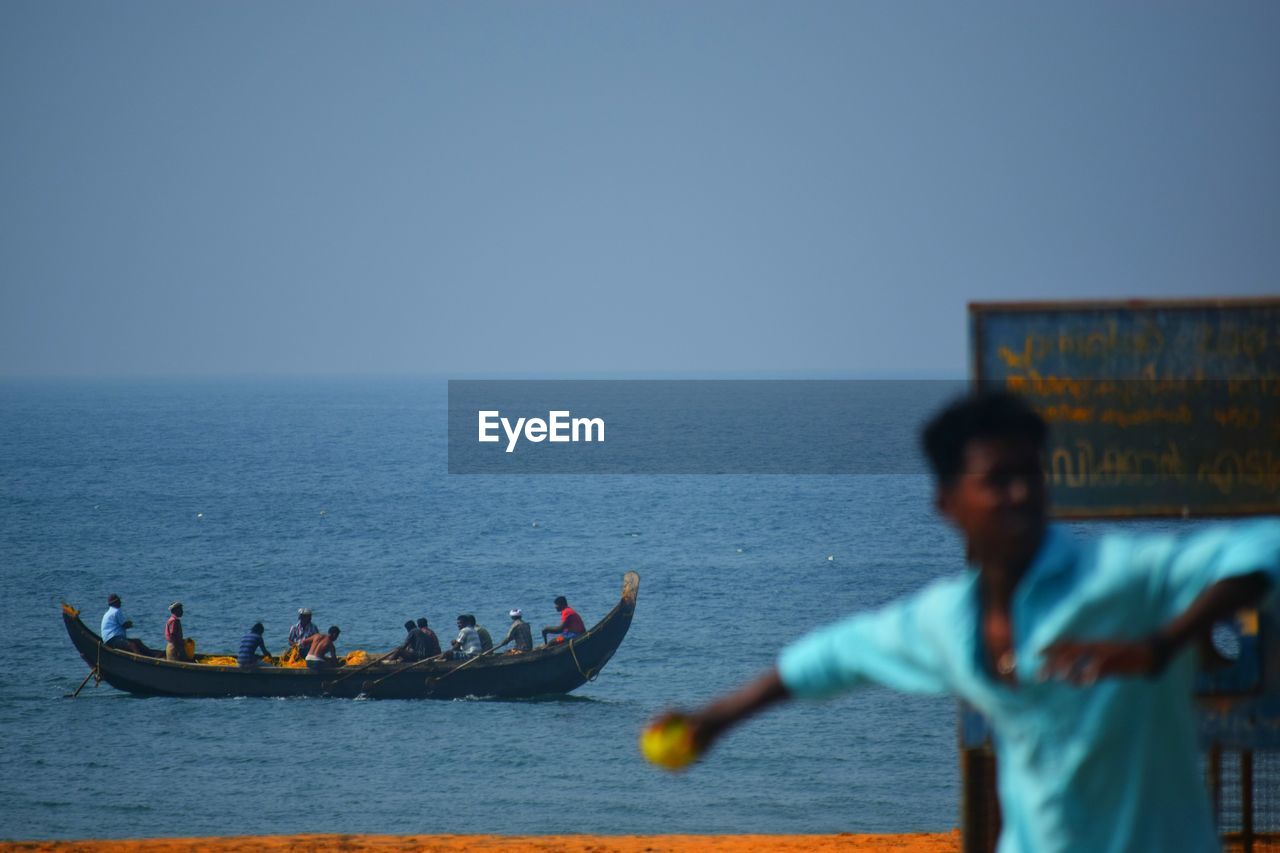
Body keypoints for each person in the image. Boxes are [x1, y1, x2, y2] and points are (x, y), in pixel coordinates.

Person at [658, 391, 1280, 853]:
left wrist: (1160, 645)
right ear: (947, 503)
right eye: (997, 480)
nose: (1019, 495)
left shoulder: (1120, 578)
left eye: (1030, 476)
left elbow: (1263, 549)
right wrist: (717, 717)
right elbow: (834, 656)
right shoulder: (947, 620)